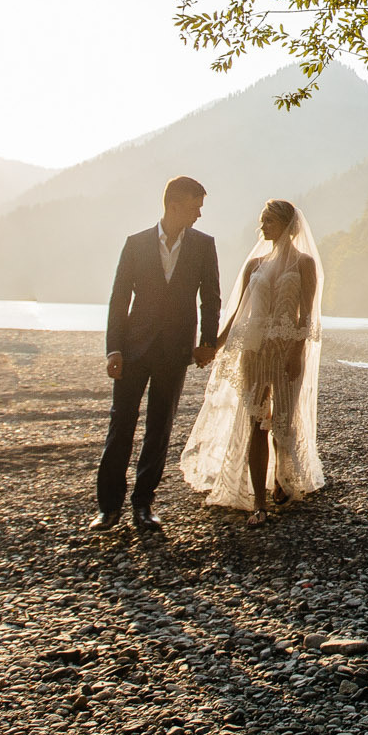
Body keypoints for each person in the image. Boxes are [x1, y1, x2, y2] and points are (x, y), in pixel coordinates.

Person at [179, 198, 325, 524]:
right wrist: (214, 345)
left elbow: (306, 313)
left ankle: (282, 481)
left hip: (286, 350)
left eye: (268, 221)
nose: (262, 227)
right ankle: (258, 500)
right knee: (255, 422)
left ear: (286, 225)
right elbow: (238, 313)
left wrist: (297, 352)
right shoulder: (254, 265)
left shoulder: (304, 264)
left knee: (283, 424)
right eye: (262, 221)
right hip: (254, 352)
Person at [93, 175, 224, 532]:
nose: (199, 214)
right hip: (133, 349)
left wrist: (208, 343)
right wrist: (114, 348)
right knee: (121, 425)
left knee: (159, 428)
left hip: (175, 350)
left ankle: (143, 505)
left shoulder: (203, 245)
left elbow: (210, 298)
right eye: (195, 207)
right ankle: (108, 508)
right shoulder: (135, 244)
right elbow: (119, 299)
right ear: (174, 206)